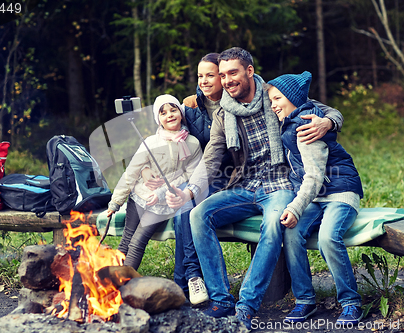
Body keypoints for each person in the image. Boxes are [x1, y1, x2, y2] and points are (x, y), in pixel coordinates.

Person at [165, 47, 343, 330]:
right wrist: (189, 193)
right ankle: (222, 300)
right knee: (197, 215)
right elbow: (211, 158)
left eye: (232, 73)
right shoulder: (225, 114)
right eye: (222, 75)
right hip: (245, 184)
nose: (227, 80)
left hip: (281, 185)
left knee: (273, 223)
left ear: (249, 71)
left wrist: (328, 122)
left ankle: (246, 305)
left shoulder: (274, 96)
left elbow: (326, 110)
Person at [265, 72, 364, 325]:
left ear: (293, 98)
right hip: (316, 198)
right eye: (271, 99)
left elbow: (314, 177)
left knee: (328, 238)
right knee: (291, 233)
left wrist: (295, 207)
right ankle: (305, 301)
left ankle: (351, 302)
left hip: (339, 192)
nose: (273, 104)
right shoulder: (290, 120)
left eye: (277, 98)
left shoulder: (305, 126)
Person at [106, 94, 202, 271]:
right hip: (139, 197)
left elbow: (191, 175)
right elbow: (132, 172)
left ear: (181, 113)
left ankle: (125, 282)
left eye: (173, 110)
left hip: (164, 203)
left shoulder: (192, 143)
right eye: (163, 113)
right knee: (127, 238)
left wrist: (162, 191)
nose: (170, 115)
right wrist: (116, 201)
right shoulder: (151, 142)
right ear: (159, 120)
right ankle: (112, 282)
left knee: (138, 240)